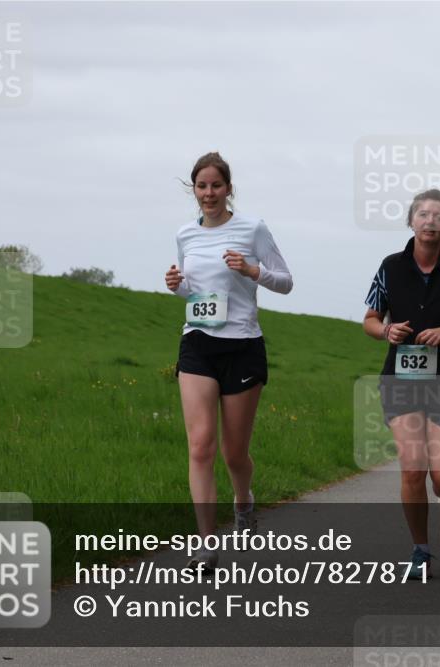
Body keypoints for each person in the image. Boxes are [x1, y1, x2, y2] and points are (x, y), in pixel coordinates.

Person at [165, 152, 293, 571]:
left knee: (234, 453)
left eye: (216, 186)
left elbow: (286, 282)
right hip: (198, 343)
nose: (208, 194)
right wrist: (177, 286)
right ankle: (205, 544)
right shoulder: (185, 234)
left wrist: (252, 270)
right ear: (194, 189)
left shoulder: (251, 228)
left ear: (228, 188)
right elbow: (195, 292)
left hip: (242, 344)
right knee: (201, 445)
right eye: (201, 186)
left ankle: (243, 501)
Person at [363, 189, 440, 580]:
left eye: (438, 215)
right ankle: (420, 550)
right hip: (401, 380)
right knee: (412, 470)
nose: (430, 220)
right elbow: (369, 319)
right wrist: (386, 330)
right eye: (422, 213)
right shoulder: (390, 267)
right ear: (411, 221)